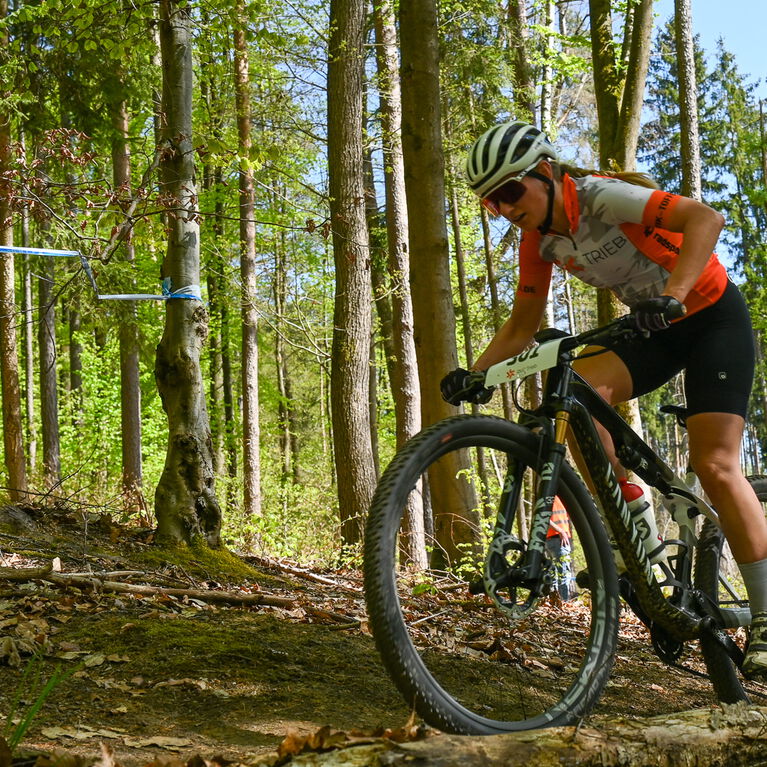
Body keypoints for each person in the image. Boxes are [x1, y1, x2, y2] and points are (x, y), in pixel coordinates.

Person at [440, 120, 767, 679]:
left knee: (713, 464)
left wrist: (674, 294)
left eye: (511, 191)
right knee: (579, 399)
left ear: (547, 172)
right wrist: (476, 374)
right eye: (492, 203)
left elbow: (704, 219)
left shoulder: (600, 196)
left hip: (710, 316)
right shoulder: (539, 240)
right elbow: (522, 324)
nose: (505, 208)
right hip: (652, 327)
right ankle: (633, 529)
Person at [546, 496, 576, 601]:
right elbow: (545, 517)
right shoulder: (552, 497)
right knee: (563, 575)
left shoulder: (561, 498)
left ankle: (555, 603)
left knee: (554, 575)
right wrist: (561, 531)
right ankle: (564, 603)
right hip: (558, 540)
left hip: (554, 539)